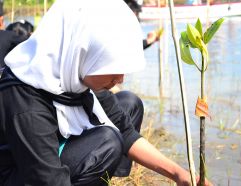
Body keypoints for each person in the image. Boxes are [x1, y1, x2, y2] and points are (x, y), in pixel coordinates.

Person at [0, 0, 212, 186]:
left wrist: (179, 174)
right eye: (113, 68)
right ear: (84, 53)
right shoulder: (25, 100)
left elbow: (125, 131)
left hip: (51, 158)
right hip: (21, 175)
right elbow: (48, 180)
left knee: (128, 104)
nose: (120, 79)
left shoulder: (72, 75)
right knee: (106, 142)